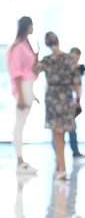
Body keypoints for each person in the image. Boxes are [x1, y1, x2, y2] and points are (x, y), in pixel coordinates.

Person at [33, 32, 81, 180]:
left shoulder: (47, 60)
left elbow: (34, 69)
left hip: (53, 97)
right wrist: (78, 99)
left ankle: (63, 168)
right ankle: (59, 167)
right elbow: (76, 82)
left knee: (57, 134)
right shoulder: (69, 59)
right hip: (67, 96)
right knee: (63, 133)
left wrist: (37, 53)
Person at [7, 16, 39, 174]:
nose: (33, 28)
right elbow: (17, 73)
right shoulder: (17, 47)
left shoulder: (26, 45)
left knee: (21, 126)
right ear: (27, 26)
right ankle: (20, 162)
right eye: (32, 25)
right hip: (23, 89)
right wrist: (20, 96)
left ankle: (21, 161)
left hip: (28, 89)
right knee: (18, 127)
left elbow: (31, 69)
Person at [67, 47, 85, 159]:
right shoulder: (67, 69)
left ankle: (75, 151)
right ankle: (74, 152)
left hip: (73, 101)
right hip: (67, 101)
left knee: (71, 126)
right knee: (68, 127)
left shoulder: (76, 69)